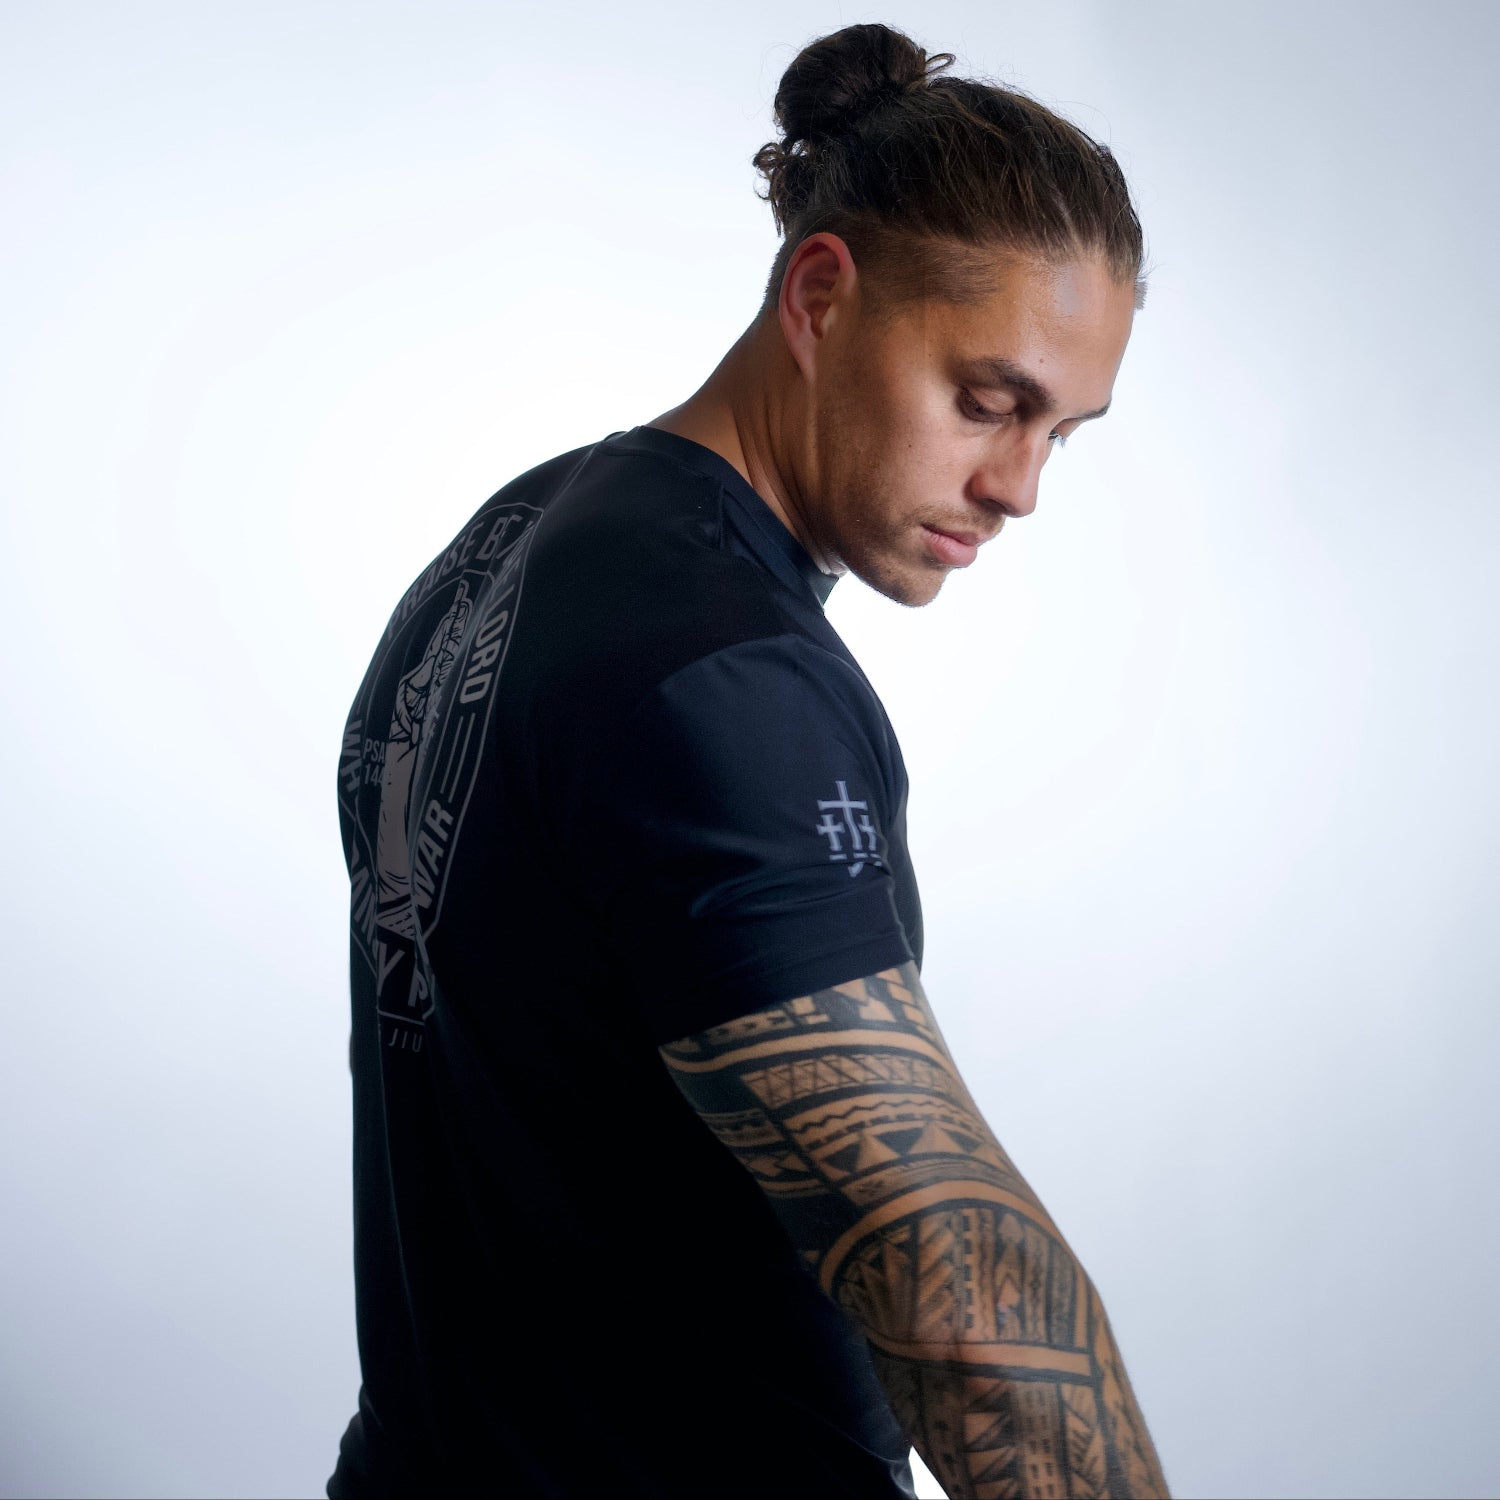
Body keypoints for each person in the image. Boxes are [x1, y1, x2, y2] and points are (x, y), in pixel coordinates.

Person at [328, 20, 1168, 1500]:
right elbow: (969, 1320)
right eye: (986, 401)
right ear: (822, 295)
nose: (1020, 486)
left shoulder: (513, 543)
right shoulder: (727, 680)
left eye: (1062, 433)